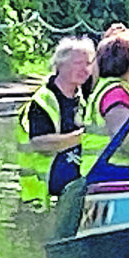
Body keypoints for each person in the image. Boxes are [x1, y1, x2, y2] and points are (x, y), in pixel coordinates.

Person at [16, 37, 95, 202]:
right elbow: (40, 143)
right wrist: (84, 136)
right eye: (78, 63)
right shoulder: (42, 101)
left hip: (72, 194)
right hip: (42, 196)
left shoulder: (82, 100)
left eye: (88, 64)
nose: (85, 69)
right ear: (60, 64)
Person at [81, 29, 129, 172]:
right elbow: (125, 139)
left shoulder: (113, 87)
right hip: (111, 174)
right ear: (121, 57)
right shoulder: (116, 94)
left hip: (105, 171)